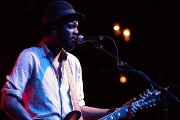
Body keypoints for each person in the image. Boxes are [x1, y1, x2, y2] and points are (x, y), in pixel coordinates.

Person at [0, 0, 142, 120]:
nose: (77, 32)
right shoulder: (30, 56)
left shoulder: (73, 63)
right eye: (71, 26)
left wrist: (116, 111)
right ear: (54, 27)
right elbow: (8, 102)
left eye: (77, 27)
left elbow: (79, 108)